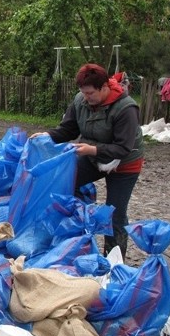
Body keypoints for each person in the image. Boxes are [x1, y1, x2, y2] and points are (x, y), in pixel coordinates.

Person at [31, 63, 144, 259]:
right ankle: (76, 232)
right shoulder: (80, 101)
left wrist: (92, 149)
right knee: (62, 183)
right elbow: (69, 129)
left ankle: (113, 263)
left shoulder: (126, 108)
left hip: (125, 163)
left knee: (115, 214)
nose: (86, 97)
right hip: (92, 155)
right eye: (83, 93)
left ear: (104, 87)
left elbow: (123, 147)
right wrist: (47, 135)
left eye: (90, 93)